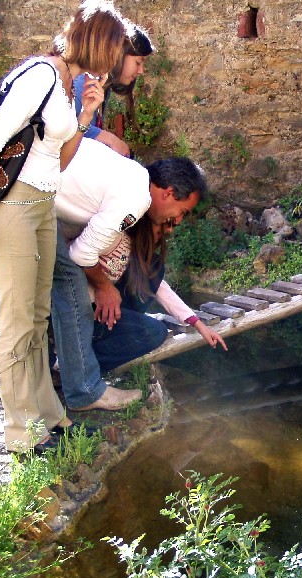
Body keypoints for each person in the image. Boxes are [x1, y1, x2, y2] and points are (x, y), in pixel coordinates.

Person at [0, 2, 131, 454]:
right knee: (16, 321)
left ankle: (49, 417)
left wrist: (87, 114)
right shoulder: (41, 76)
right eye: (113, 49)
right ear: (95, 43)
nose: (114, 62)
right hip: (12, 208)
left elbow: (59, 159)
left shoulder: (70, 84)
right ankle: (22, 434)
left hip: (42, 205)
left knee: (37, 317)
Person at [51, 138, 227, 411]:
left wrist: (195, 322)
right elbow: (79, 257)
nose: (175, 223)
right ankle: (75, 368)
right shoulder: (133, 204)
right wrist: (104, 289)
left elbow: (158, 286)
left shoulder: (131, 180)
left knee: (153, 274)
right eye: (181, 213)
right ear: (168, 193)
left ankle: (75, 362)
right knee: (152, 332)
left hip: (44, 225)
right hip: (77, 299)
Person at [73, 22, 154, 156]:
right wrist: (110, 139)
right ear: (120, 55)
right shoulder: (83, 84)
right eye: (138, 62)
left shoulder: (104, 87)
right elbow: (68, 131)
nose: (141, 71)